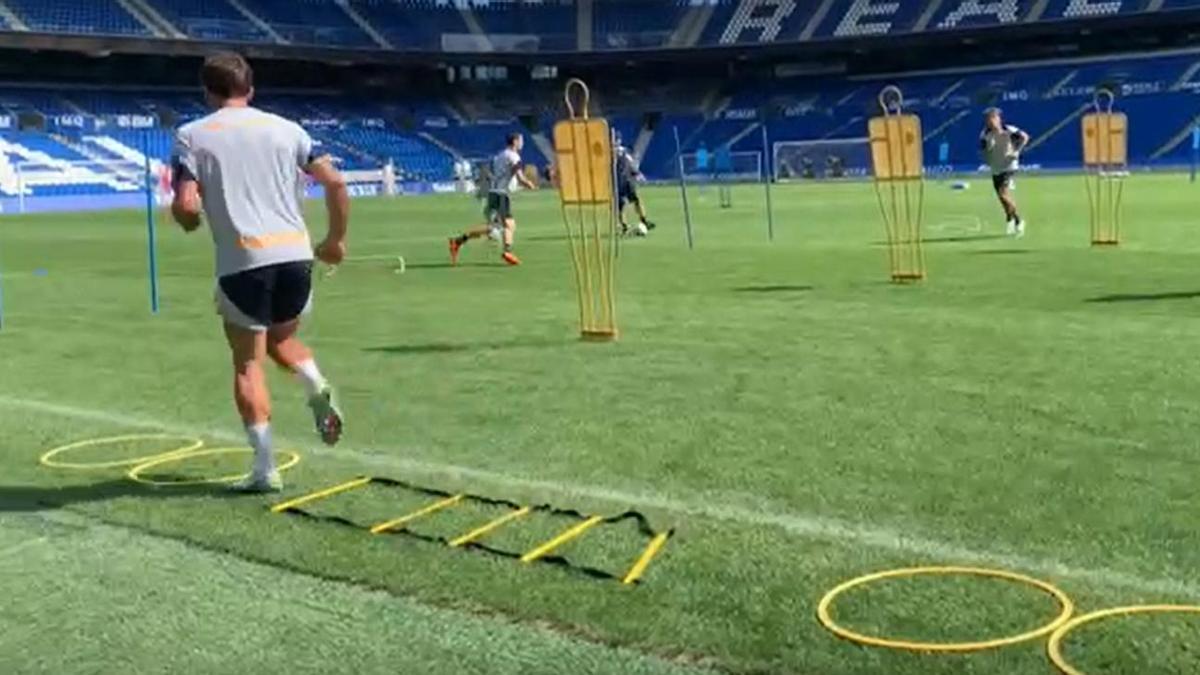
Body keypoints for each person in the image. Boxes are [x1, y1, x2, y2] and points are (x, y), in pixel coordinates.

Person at [170, 52, 348, 493]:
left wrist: (189, 220)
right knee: (281, 339)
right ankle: (314, 382)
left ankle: (265, 469)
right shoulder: (289, 129)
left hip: (244, 261)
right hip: (295, 256)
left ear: (207, 92)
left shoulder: (192, 135)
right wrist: (335, 241)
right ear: (251, 89)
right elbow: (336, 183)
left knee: (248, 362)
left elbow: (187, 204)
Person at [449, 133, 535, 266]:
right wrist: (528, 184)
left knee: (492, 228)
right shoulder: (514, 157)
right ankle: (507, 252)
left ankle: (458, 241)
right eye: (520, 140)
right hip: (501, 195)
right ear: (515, 142)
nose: (522, 143)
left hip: (493, 193)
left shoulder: (499, 155)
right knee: (509, 225)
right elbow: (519, 177)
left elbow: (491, 173)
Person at [980, 107, 1030, 237]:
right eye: (988, 119)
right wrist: (988, 153)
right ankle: (1010, 219)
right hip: (996, 168)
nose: (990, 122)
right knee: (1002, 199)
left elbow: (1025, 137)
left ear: (998, 119)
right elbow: (983, 152)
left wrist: (1016, 151)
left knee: (1003, 195)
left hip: (1009, 167)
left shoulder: (1009, 130)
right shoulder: (985, 135)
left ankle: (1019, 221)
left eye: (993, 118)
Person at [615, 137, 656, 236]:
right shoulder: (611, 153)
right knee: (621, 206)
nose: (617, 142)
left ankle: (643, 220)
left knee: (636, 200)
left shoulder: (624, 152)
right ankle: (625, 226)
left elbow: (630, 164)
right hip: (618, 182)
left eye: (618, 140)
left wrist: (637, 174)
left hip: (627, 180)